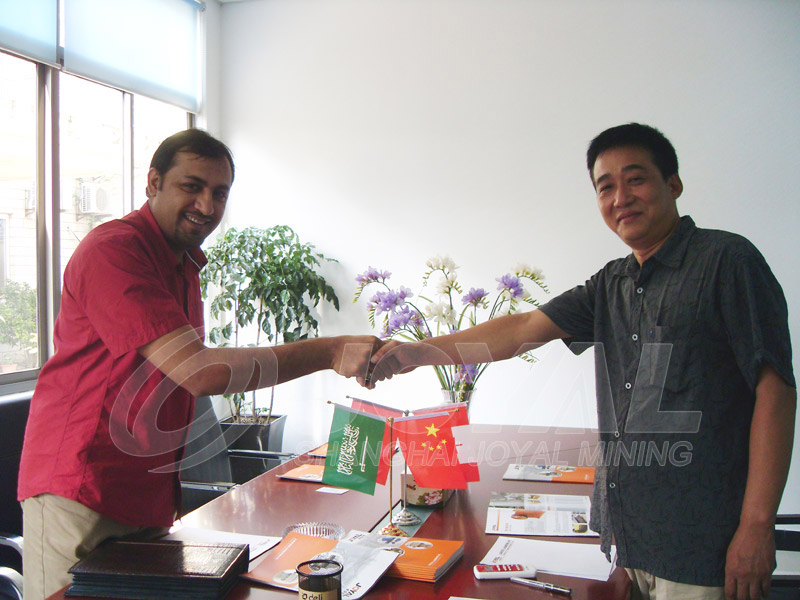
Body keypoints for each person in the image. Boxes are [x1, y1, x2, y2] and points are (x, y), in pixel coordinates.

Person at [371, 123, 796, 600]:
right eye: (605, 187)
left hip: (702, 544)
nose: (621, 198)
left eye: (636, 179)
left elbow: (776, 389)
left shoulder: (727, 261)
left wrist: (757, 525)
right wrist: (416, 353)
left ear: (673, 183)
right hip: (631, 539)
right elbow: (521, 329)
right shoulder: (612, 282)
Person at [17, 129, 382, 599]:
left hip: (146, 493)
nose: (207, 206)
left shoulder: (184, 263)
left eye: (220, 193)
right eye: (192, 186)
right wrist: (330, 351)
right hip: (81, 487)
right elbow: (199, 371)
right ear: (153, 182)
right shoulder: (114, 251)